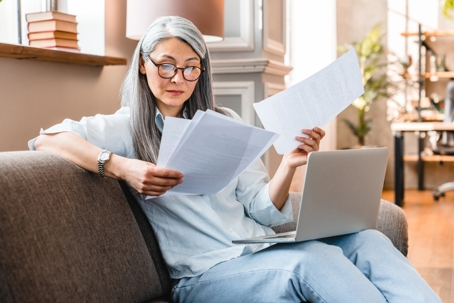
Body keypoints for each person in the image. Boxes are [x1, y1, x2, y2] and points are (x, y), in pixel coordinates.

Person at [29, 16, 441, 303]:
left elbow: (263, 211)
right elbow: (45, 140)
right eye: (167, 65)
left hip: (257, 251)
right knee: (312, 261)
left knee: (368, 239)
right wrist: (120, 166)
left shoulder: (222, 120)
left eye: (192, 68)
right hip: (203, 277)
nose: (179, 79)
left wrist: (290, 164)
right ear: (143, 64)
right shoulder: (124, 128)